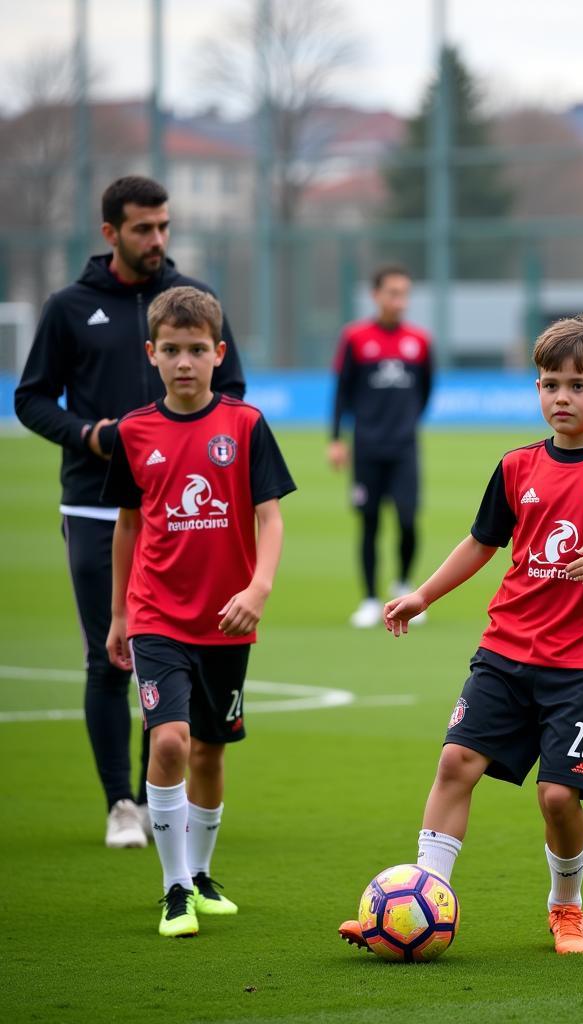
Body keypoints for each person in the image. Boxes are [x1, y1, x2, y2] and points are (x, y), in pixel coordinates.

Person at [338, 316, 583, 955]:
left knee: (558, 796)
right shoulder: (517, 465)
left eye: (577, 386)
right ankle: (421, 901)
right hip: (507, 647)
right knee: (455, 763)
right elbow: (481, 543)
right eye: (550, 384)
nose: (562, 397)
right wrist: (421, 595)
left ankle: (567, 907)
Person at [14, 176, 246, 849]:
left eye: (165, 226)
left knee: (179, 660)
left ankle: (159, 798)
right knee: (108, 655)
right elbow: (32, 399)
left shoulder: (193, 303)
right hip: (94, 506)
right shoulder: (68, 307)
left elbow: (233, 390)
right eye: (144, 228)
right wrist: (89, 435)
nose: (158, 240)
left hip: (185, 517)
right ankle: (121, 803)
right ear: (111, 232)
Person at [103, 286, 294, 937]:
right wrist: (120, 614)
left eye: (197, 350)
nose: (185, 362)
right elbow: (127, 527)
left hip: (228, 620)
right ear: (152, 354)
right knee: (171, 740)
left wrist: (258, 589)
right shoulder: (134, 432)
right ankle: (174, 888)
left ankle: (202, 873)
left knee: (211, 753)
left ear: (218, 353)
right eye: (172, 350)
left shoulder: (245, 425)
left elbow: (270, 517)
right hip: (157, 614)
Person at [327, 265, 433, 628]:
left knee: (407, 520)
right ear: (376, 295)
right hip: (367, 447)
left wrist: (405, 422)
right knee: (369, 523)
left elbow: (425, 391)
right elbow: (341, 391)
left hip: (404, 447)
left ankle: (403, 583)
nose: (399, 301)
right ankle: (371, 599)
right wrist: (337, 440)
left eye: (404, 293)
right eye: (392, 293)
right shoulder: (355, 338)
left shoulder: (419, 341)